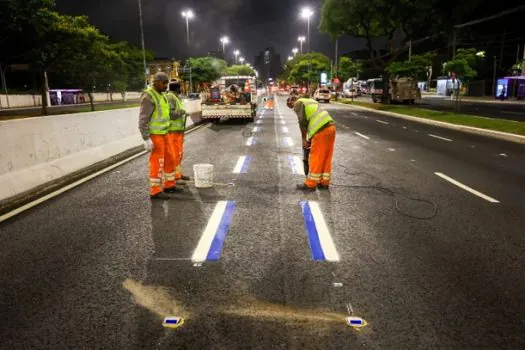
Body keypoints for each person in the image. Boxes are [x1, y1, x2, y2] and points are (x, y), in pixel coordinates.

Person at [138, 72, 183, 199]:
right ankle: (155, 190)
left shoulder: (162, 95)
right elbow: (143, 119)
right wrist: (146, 138)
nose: (165, 86)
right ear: (156, 82)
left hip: (165, 133)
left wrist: (180, 113)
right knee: (158, 161)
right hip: (155, 135)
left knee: (171, 159)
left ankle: (169, 185)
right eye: (163, 83)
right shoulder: (148, 96)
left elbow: (167, 114)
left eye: (167, 83)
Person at [287, 95, 336, 191]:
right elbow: (314, 118)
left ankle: (311, 184)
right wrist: (310, 138)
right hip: (331, 128)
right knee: (326, 157)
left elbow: (302, 122)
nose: (293, 108)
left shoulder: (298, 103)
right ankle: (324, 182)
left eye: (291, 106)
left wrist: (304, 139)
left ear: (292, 101)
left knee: (315, 157)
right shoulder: (309, 101)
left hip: (322, 131)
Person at [166, 79, 190, 185]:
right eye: (180, 87)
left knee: (179, 154)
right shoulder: (170, 97)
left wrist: (183, 113)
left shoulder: (175, 97)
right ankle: (175, 177)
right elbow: (171, 114)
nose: (182, 89)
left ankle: (178, 174)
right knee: (174, 155)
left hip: (178, 131)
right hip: (172, 131)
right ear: (176, 88)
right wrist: (182, 112)